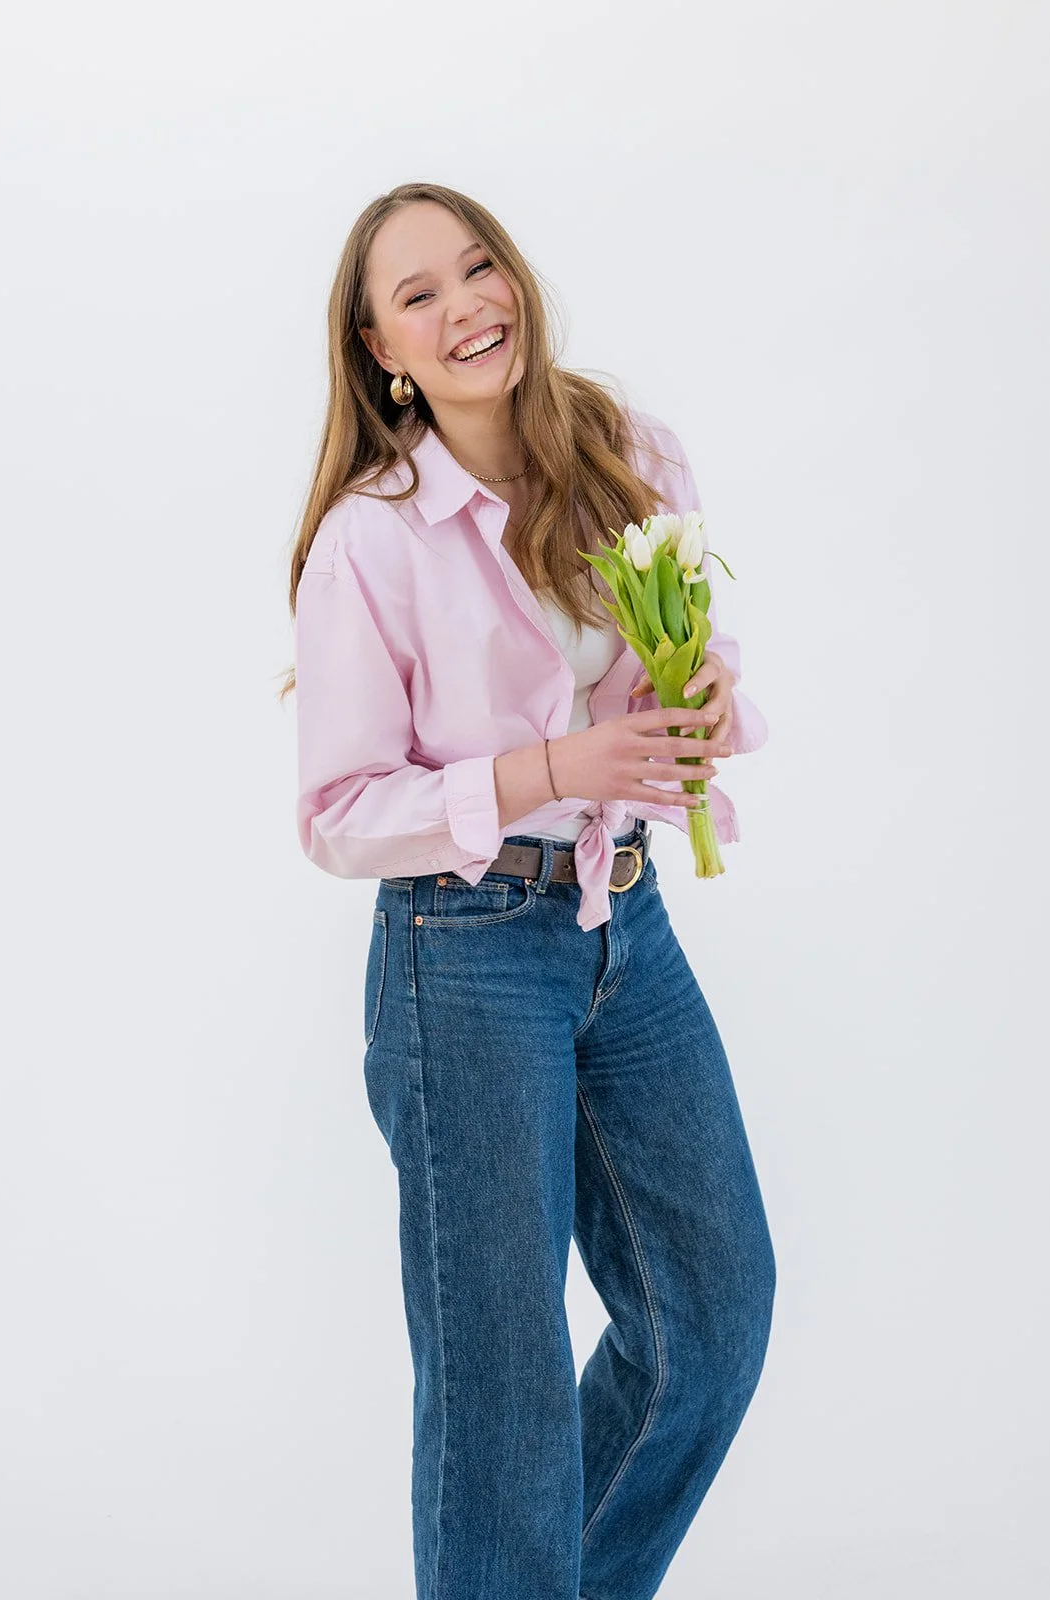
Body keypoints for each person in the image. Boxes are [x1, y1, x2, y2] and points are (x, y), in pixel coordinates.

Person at [281, 180, 775, 1600]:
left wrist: (703, 697)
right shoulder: (372, 540)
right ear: (381, 351)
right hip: (462, 953)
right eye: (417, 296)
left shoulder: (626, 451)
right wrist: (551, 766)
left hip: (626, 923)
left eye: (477, 268)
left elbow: (689, 666)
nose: (464, 308)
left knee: (710, 1319)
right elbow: (338, 816)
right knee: (500, 1392)